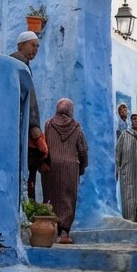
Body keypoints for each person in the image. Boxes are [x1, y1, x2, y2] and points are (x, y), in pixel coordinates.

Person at [41, 98, 88, 244]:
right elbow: (82, 149)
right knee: (68, 198)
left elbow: (45, 144)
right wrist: (83, 166)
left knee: (51, 196)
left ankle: (50, 230)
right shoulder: (76, 127)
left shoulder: (48, 124)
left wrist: (43, 162)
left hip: (52, 166)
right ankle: (65, 233)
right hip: (71, 167)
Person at [10, 31, 41, 198]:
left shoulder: (24, 65)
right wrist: (34, 125)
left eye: (37, 46)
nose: (35, 49)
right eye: (32, 45)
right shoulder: (17, 64)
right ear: (20, 45)